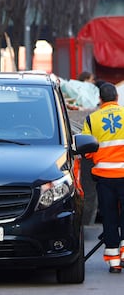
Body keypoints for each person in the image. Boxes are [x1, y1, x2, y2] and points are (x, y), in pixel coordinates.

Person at [82, 82, 124, 273]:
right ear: (116, 97)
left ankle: (114, 262)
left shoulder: (92, 119)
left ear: (100, 99)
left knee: (109, 218)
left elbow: (87, 152)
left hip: (105, 179)